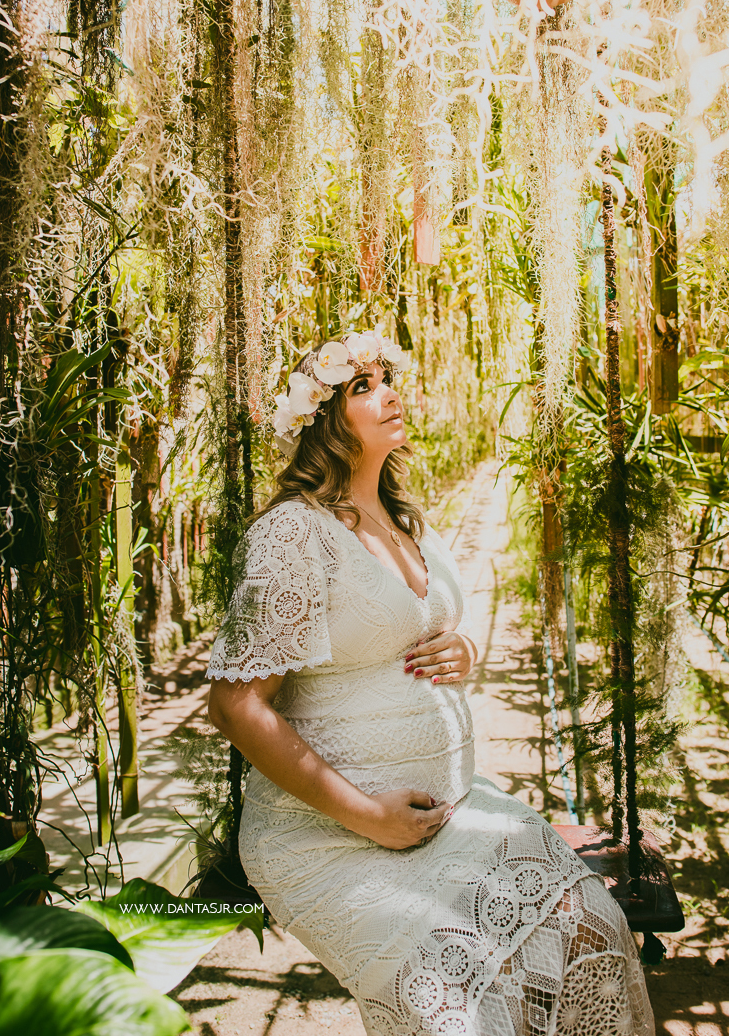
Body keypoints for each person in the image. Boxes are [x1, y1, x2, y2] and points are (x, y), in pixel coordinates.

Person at [206, 327, 654, 1036]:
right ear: (323, 420)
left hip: (449, 813)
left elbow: (426, 627)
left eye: (387, 378)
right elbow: (234, 706)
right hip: (331, 838)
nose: (388, 393)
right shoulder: (293, 535)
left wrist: (466, 649)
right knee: (458, 1008)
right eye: (363, 387)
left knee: (591, 925)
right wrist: (365, 814)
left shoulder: (405, 517)